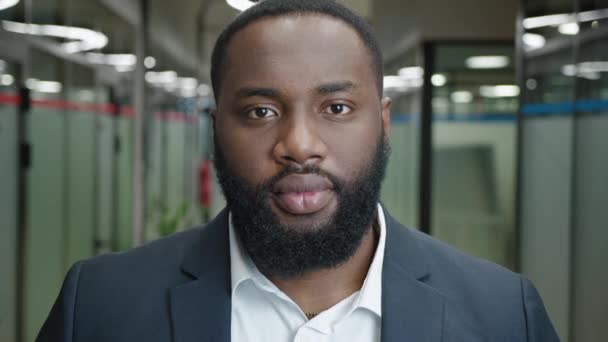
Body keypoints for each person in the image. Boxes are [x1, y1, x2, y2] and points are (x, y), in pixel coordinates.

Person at [37, 0, 559, 341]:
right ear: (217, 127)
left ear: (382, 122)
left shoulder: (503, 315)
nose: (299, 145)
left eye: (335, 108)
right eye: (261, 112)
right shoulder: (102, 308)